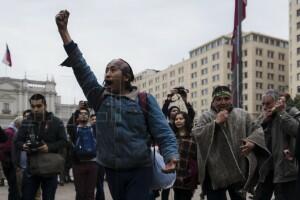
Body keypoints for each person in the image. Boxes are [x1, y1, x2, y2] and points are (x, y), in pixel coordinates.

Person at [56, 10, 179, 200]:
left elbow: (163, 131)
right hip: (112, 171)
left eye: (113, 69)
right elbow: (81, 67)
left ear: (127, 76)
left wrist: (171, 155)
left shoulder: (144, 99)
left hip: (140, 168)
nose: (107, 74)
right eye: (106, 70)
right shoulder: (100, 98)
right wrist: (64, 32)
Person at [192, 85, 268, 200]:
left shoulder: (242, 114)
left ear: (231, 99)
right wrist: (215, 123)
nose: (223, 102)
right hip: (215, 174)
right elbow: (196, 134)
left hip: (238, 172)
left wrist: (252, 142)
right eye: (218, 99)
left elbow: (257, 130)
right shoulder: (205, 117)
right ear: (213, 101)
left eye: (226, 99)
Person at [15, 93, 67, 200]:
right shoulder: (26, 122)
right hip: (31, 168)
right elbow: (17, 141)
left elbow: (64, 141)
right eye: (33, 106)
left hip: (50, 168)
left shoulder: (57, 122)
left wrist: (49, 147)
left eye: (39, 106)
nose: (35, 109)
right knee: (27, 197)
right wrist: (23, 145)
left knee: (48, 197)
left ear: (45, 105)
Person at [253, 90, 299, 200]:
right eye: (263, 104)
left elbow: (297, 130)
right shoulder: (264, 116)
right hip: (267, 169)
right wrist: (264, 121)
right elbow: (253, 132)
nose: (264, 107)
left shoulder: (291, 112)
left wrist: (281, 112)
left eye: (268, 103)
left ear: (277, 102)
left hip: (286, 170)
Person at [72, 107, 98, 200]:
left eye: (86, 113)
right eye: (81, 113)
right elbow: (69, 124)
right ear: (77, 116)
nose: (83, 115)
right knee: (80, 192)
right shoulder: (73, 129)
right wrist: (77, 109)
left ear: (89, 117)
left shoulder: (94, 128)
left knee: (90, 192)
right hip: (78, 164)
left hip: (93, 163)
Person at [172, 111, 198, 200]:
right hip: (175, 177)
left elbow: (197, 158)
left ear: (186, 120)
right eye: (176, 119)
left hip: (188, 177)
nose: (178, 121)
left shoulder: (193, 137)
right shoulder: (172, 137)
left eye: (181, 118)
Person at [0, 116, 23, 200]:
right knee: (14, 187)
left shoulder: (12, 131)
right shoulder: (10, 132)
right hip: (9, 163)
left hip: (9, 162)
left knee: (14, 187)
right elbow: (5, 148)